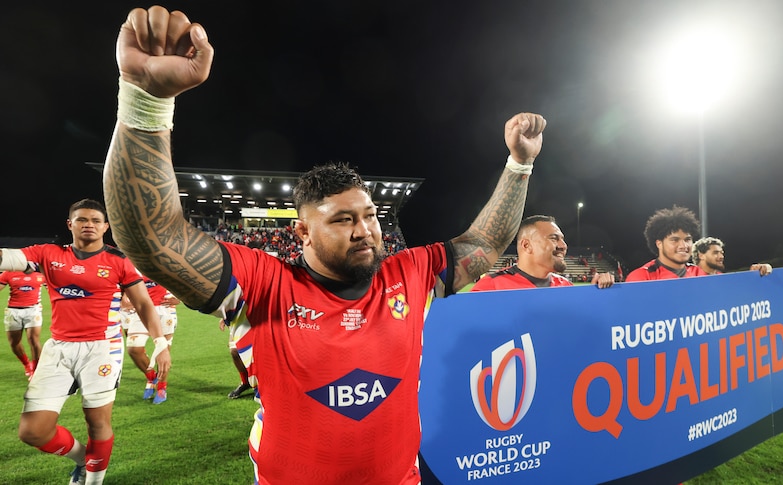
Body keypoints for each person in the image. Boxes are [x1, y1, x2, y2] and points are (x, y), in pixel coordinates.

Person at [103, 7, 545, 483]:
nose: (365, 230)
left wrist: (519, 164)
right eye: (342, 220)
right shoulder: (264, 285)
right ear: (303, 233)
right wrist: (146, 102)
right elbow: (153, 237)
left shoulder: (410, 274)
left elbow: (483, 242)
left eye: (370, 216)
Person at [0, 199, 172, 485]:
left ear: (106, 226)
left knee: (97, 423)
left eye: (95, 220)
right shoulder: (47, 253)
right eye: (81, 219)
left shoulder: (119, 261)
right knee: (33, 431)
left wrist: (161, 343)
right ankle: (82, 458)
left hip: (103, 349)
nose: (88, 224)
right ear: (70, 224)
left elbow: (143, 303)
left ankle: (93, 479)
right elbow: (7, 257)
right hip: (58, 349)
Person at [470, 215, 614, 290]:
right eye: (553, 238)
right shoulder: (491, 286)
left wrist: (595, 295)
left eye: (562, 239)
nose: (563, 245)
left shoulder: (565, 286)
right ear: (527, 245)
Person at [120, 275, 179, 404]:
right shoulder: (129, 264)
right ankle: (152, 377)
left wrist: (180, 299)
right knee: (133, 348)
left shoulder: (159, 262)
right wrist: (123, 299)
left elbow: (183, 280)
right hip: (142, 310)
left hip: (165, 309)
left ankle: (162, 388)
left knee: (162, 352)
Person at [625, 206, 708, 282]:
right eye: (675, 240)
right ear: (659, 244)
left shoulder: (700, 274)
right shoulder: (641, 277)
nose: (683, 246)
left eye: (687, 239)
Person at [0, 269, 46, 379]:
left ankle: (35, 371)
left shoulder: (41, 274)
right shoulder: (9, 273)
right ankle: (26, 364)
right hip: (13, 311)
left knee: (34, 340)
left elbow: (54, 290)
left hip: (33, 310)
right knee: (14, 343)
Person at [219, 317, 253, 399]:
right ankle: (245, 382)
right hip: (237, 319)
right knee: (234, 351)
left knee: (256, 351)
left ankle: (261, 384)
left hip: (254, 317)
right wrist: (224, 317)